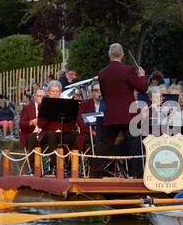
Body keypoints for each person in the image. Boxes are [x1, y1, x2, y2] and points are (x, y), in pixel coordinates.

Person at [91, 43, 148, 178]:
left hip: (111, 113)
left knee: (104, 145)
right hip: (128, 114)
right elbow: (143, 88)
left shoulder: (102, 73)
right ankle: (138, 175)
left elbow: (104, 94)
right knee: (135, 145)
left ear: (109, 55)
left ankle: (95, 174)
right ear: (122, 55)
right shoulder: (128, 70)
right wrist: (142, 76)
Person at [38, 80, 78, 174]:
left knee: (75, 135)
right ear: (48, 93)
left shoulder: (66, 104)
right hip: (48, 133)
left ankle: (72, 165)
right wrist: (49, 114)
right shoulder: (43, 105)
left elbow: (72, 125)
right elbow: (40, 124)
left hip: (63, 132)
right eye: (53, 91)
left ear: (60, 93)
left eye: (57, 91)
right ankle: (55, 164)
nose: (55, 93)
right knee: (52, 134)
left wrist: (70, 116)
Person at [19, 89, 47, 171]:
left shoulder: (47, 108)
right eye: (39, 96)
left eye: (43, 97)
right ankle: (34, 168)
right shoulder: (27, 108)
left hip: (43, 134)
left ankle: (53, 166)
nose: (41, 98)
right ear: (35, 97)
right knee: (33, 138)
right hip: (30, 134)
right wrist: (31, 122)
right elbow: (21, 125)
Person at [77, 80, 102, 151]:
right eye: (96, 90)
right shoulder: (85, 104)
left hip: (104, 133)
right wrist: (91, 131)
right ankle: (98, 161)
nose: (99, 92)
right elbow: (80, 121)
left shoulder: (106, 104)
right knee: (100, 139)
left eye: (101, 90)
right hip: (88, 133)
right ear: (92, 92)